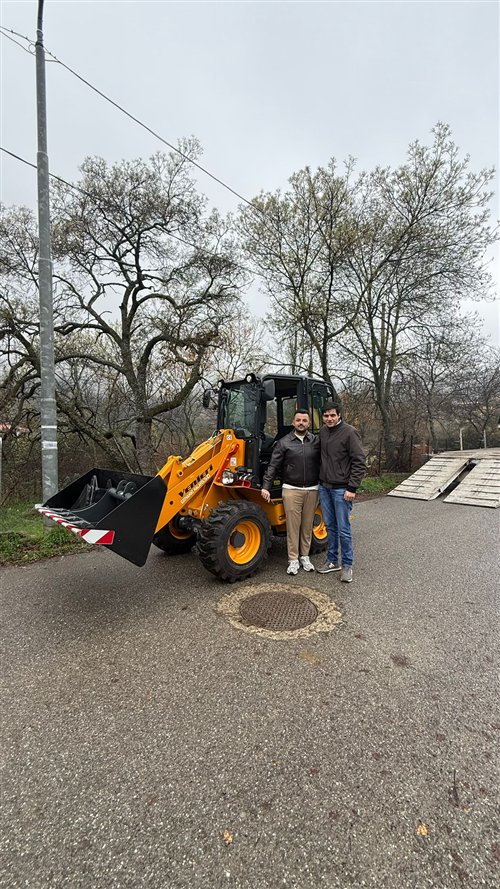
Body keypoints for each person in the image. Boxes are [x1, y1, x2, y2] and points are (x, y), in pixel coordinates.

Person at [261, 410, 320, 575]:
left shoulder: (316, 442)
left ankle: (305, 557)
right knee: (293, 527)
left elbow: (326, 462)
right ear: (293, 423)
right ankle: (293, 560)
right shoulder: (284, 442)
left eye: (305, 420)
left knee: (307, 526)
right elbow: (273, 465)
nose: (301, 423)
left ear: (309, 424)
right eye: (298, 420)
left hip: (312, 490)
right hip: (291, 490)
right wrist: (266, 486)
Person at [316, 402, 366, 583]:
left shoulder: (349, 432)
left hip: (342, 489)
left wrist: (352, 487)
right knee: (330, 527)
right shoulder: (322, 432)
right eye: (326, 416)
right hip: (324, 487)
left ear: (339, 415)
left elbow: (359, 462)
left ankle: (347, 565)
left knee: (343, 529)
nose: (329, 419)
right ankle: (332, 561)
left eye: (332, 415)